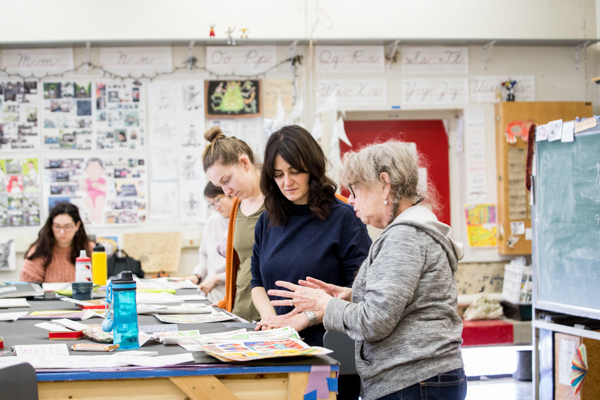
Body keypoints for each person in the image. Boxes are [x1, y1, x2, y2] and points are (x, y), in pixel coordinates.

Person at [263, 141, 467, 400]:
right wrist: (349, 295)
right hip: (420, 379)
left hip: (412, 379)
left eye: (357, 191)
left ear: (385, 184)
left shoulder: (404, 236)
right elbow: (400, 302)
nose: (351, 200)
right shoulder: (410, 230)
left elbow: (374, 322)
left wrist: (325, 304)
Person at [250, 125, 371, 346]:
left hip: (329, 346)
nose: (287, 182)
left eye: (295, 172)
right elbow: (257, 282)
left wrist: (302, 320)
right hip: (278, 343)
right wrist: (273, 320)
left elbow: (360, 294)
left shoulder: (344, 219)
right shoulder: (267, 220)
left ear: (312, 169)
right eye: (278, 175)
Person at [203, 125, 263, 322]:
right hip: (241, 313)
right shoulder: (237, 205)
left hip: (273, 319)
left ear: (244, 163)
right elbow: (241, 266)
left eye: (227, 180)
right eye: (220, 186)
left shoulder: (280, 200)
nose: (226, 191)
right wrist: (227, 302)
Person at [184, 182, 234, 303]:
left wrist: (217, 278)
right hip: (209, 293)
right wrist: (197, 275)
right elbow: (204, 256)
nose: (216, 207)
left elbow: (246, 268)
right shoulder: (211, 222)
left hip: (231, 292)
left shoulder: (243, 222)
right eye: (211, 204)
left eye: (217, 200)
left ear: (231, 194)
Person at [20, 202, 95, 283]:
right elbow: (29, 285)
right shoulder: (40, 250)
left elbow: (100, 282)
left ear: (77, 226)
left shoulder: (90, 248)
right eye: (57, 226)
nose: (62, 232)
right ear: (51, 226)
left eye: (67, 227)